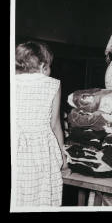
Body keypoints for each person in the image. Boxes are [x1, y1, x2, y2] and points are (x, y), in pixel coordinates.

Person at [14, 41, 70, 206]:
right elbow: (55, 125)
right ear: (43, 66)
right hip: (42, 153)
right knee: (40, 199)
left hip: (17, 151)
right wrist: (64, 162)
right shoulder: (52, 84)